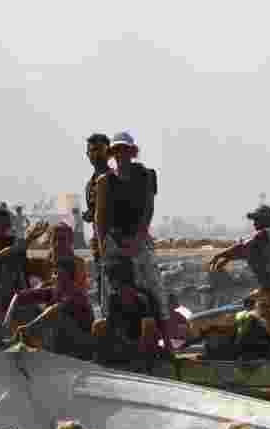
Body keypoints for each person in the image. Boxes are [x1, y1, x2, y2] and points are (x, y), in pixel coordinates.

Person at [93, 131, 171, 353]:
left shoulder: (146, 175)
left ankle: (166, 343)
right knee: (112, 292)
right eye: (117, 151)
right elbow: (100, 219)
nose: (121, 155)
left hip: (139, 237)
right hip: (114, 241)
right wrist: (104, 250)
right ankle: (112, 344)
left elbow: (148, 210)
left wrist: (137, 240)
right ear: (112, 154)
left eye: (125, 151)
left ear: (132, 153)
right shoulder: (105, 181)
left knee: (154, 286)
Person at [207, 204, 270, 339]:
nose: (254, 224)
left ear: (266, 221)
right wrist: (227, 258)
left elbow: (245, 246)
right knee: (259, 309)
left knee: (250, 308)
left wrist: (220, 255)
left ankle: (251, 339)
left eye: (257, 220)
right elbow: (247, 248)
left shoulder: (266, 234)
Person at [11, 256, 97, 360]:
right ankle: (19, 339)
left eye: (57, 273)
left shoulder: (77, 293)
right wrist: (7, 322)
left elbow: (55, 310)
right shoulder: (54, 291)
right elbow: (19, 296)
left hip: (81, 347)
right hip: (62, 341)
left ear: (68, 276)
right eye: (54, 273)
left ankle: (27, 337)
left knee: (55, 313)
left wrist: (28, 327)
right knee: (28, 308)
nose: (53, 277)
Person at [84, 132, 111, 307]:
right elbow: (95, 211)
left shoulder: (115, 178)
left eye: (99, 150)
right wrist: (90, 214)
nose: (95, 155)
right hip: (99, 244)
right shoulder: (90, 184)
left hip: (117, 242)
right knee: (102, 285)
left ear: (108, 152)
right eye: (91, 151)